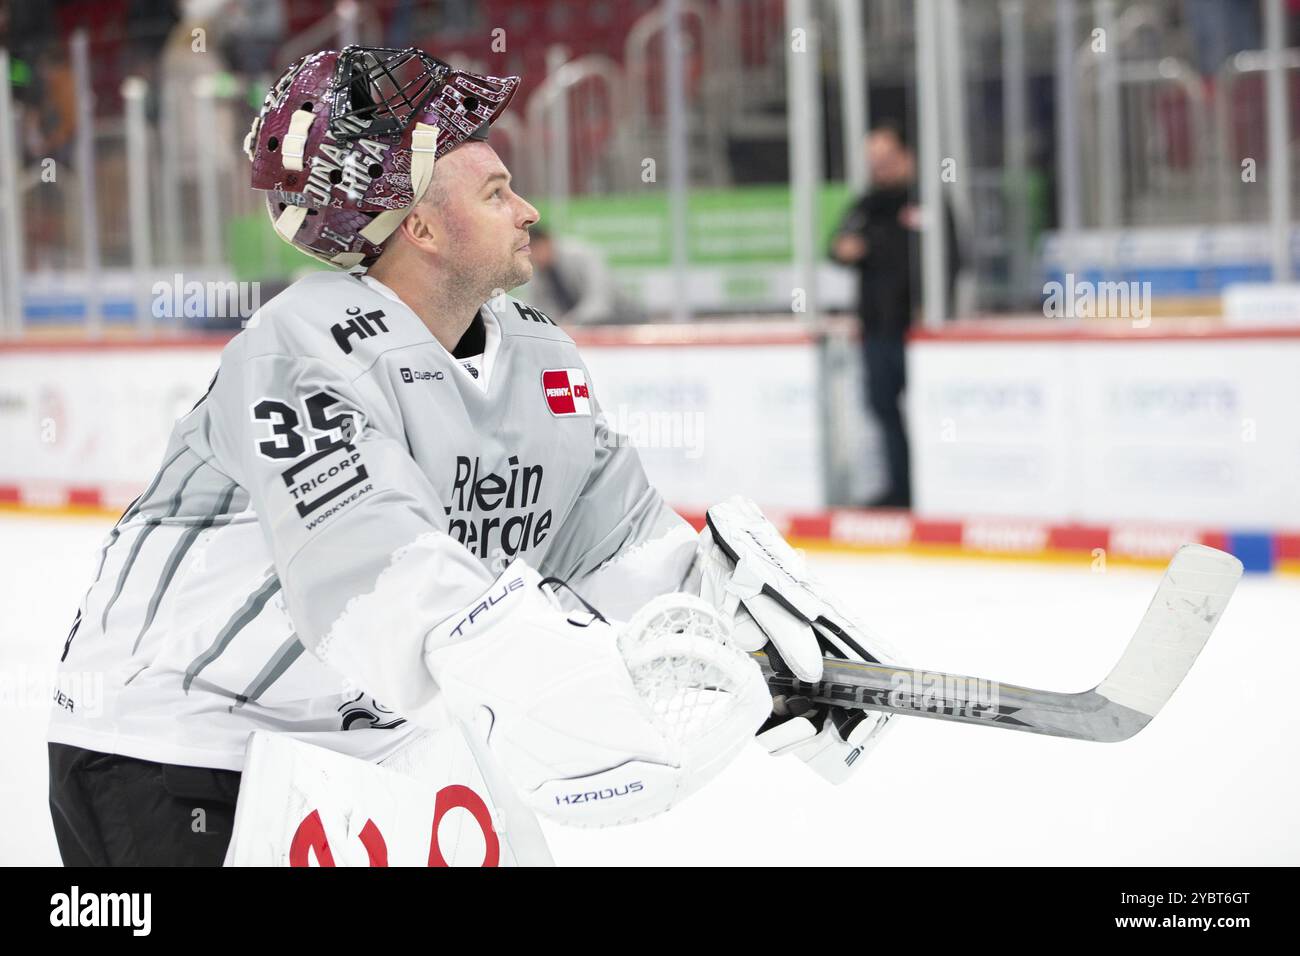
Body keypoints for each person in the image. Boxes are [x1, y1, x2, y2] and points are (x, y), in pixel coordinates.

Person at [47, 46, 898, 866]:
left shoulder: (538, 354)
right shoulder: (299, 352)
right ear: (418, 224)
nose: (528, 211)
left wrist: (751, 641)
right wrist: (577, 696)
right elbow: (384, 584)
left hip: (369, 760)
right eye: (496, 192)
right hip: (173, 753)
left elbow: (615, 545)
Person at [831, 121, 958, 509]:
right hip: (877, 329)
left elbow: (953, 258)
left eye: (887, 159)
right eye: (874, 161)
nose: (880, 168)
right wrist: (851, 249)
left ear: (907, 157)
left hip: (918, 330)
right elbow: (836, 246)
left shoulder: (926, 203)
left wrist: (934, 309)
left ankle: (934, 492)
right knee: (885, 410)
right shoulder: (867, 204)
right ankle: (901, 491)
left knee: (929, 414)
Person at [515, 225, 646, 325]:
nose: (533, 256)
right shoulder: (538, 270)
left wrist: (570, 322)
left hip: (620, 318)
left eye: (535, 249)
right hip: (580, 327)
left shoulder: (582, 255)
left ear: (547, 241)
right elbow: (538, 307)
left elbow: (599, 301)